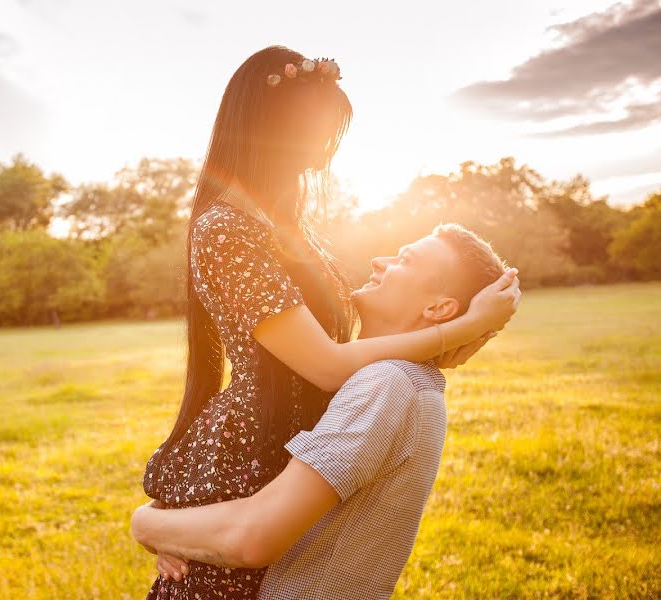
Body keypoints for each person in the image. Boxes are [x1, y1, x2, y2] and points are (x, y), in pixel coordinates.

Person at [141, 45, 521, 599]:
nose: (321, 159)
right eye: (314, 138)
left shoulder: (293, 229)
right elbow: (324, 364)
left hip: (289, 444)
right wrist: (459, 329)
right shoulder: (227, 227)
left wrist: (462, 335)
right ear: (268, 130)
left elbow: (358, 350)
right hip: (251, 450)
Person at [133, 224, 511, 599]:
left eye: (403, 260)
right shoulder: (403, 381)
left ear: (439, 308)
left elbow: (253, 537)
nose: (380, 261)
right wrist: (183, 530)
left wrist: (147, 524)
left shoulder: (387, 384)